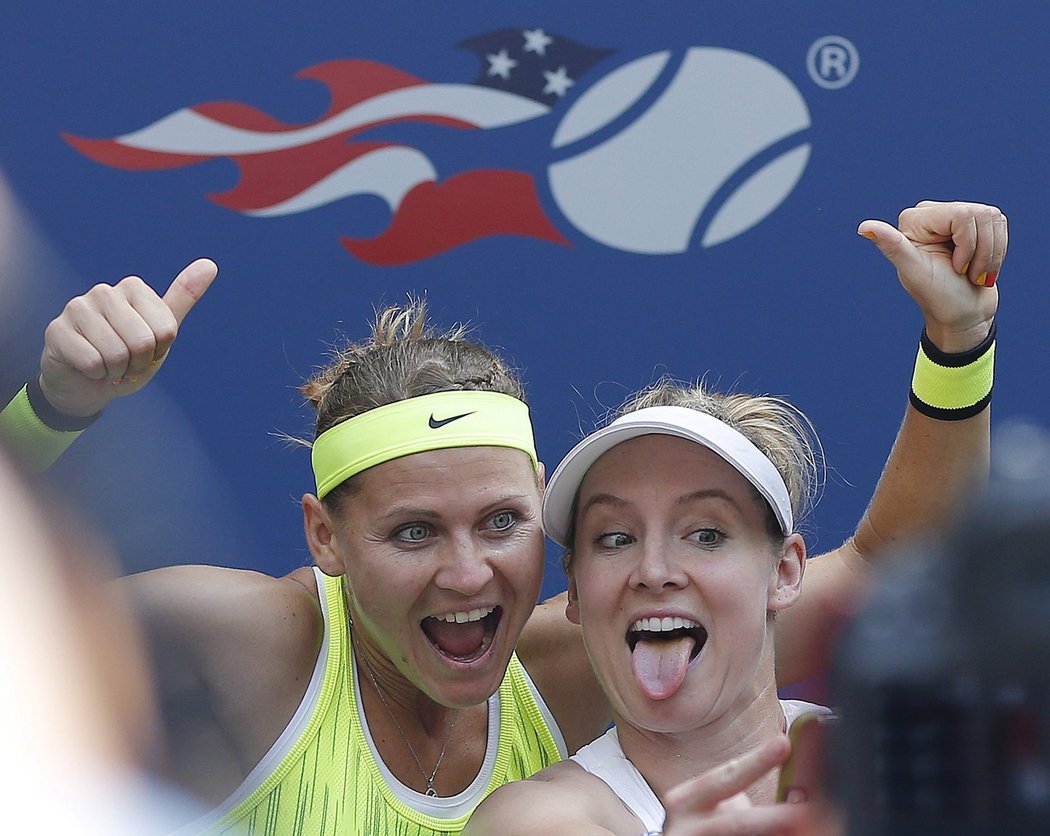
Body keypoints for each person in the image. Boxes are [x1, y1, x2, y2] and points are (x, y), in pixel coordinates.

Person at [0, 199, 1004, 834]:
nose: (469, 572)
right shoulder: (246, 643)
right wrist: (49, 411)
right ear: (323, 536)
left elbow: (890, 569)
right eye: (412, 532)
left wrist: (957, 346)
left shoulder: (579, 654)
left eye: (498, 522)